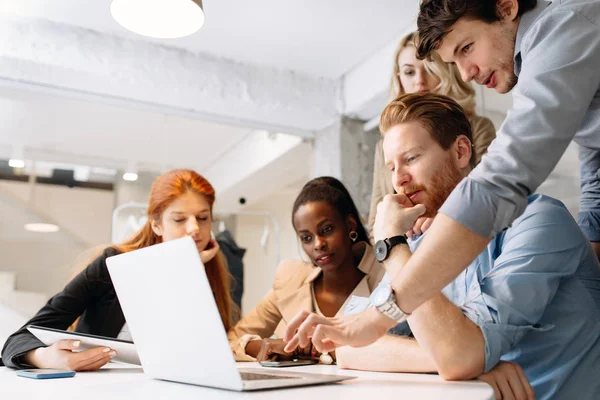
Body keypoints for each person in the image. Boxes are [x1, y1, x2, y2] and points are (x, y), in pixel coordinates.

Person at [284, 93, 600, 399]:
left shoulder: (539, 220)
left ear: (461, 152)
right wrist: (470, 364)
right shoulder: (420, 247)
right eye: (392, 167)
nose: (399, 181)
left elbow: (457, 356)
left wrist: (392, 243)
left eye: (411, 158)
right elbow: (352, 347)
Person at [1, 169, 235, 371]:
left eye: (203, 218)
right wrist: (44, 357)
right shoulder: (112, 265)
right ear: (156, 224)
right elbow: (19, 340)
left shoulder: (208, 272)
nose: (194, 228)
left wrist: (186, 270)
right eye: (179, 219)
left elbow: (208, 351)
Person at [227, 177, 386, 361]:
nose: (318, 244)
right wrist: (261, 346)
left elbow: (406, 348)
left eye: (326, 230)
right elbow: (230, 341)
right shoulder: (290, 279)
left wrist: (323, 349)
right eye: (306, 238)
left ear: (350, 225)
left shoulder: (386, 277)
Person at [368, 31, 496, 237]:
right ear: (399, 79)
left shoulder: (477, 128)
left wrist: (442, 220)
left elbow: (488, 193)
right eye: (409, 72)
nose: (419, 82)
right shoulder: (384, 147)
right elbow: (377, 223)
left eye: (429, 69)